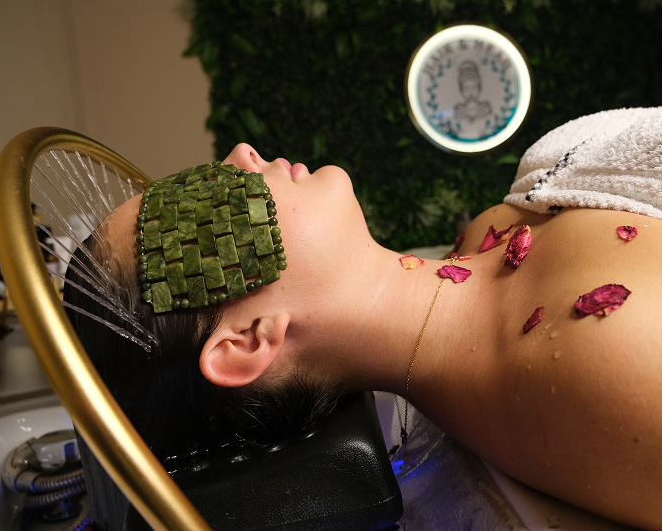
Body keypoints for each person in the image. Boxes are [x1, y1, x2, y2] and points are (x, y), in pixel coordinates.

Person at [65, 107, 662, 531]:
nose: (240, 156)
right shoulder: (607, 363)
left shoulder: (484, 236)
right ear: (247, 339)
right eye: (194, 213)